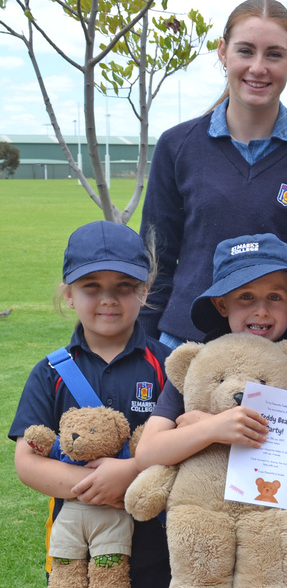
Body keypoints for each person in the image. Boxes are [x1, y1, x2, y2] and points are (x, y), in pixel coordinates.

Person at [139, 0, 287, 395]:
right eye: (245, 51)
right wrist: (147, 354)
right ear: (223, 52)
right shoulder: (179, 146)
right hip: (187, 352)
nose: (258, 67)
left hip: (280, 360)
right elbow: (156, 264)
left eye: (274, 54)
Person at [134, 233, 287, 588]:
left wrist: (197, 424)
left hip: (275, 545)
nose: (261, 310)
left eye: (275, 297)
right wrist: (210, 429)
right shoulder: (201, 366)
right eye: (245, 297)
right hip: (205, 543)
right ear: (222, 305)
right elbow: (148, 452)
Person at [9, 220, 171, 587]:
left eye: (124, 287)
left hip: (157, 553)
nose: (108, 299)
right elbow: (27, 463)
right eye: (91, 287)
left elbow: (184, 448)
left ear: (144, 290)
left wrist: (128, 477)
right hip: (75, 555)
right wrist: (97, 484)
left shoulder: (166, 366)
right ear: (69, 294)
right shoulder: (49, 372)